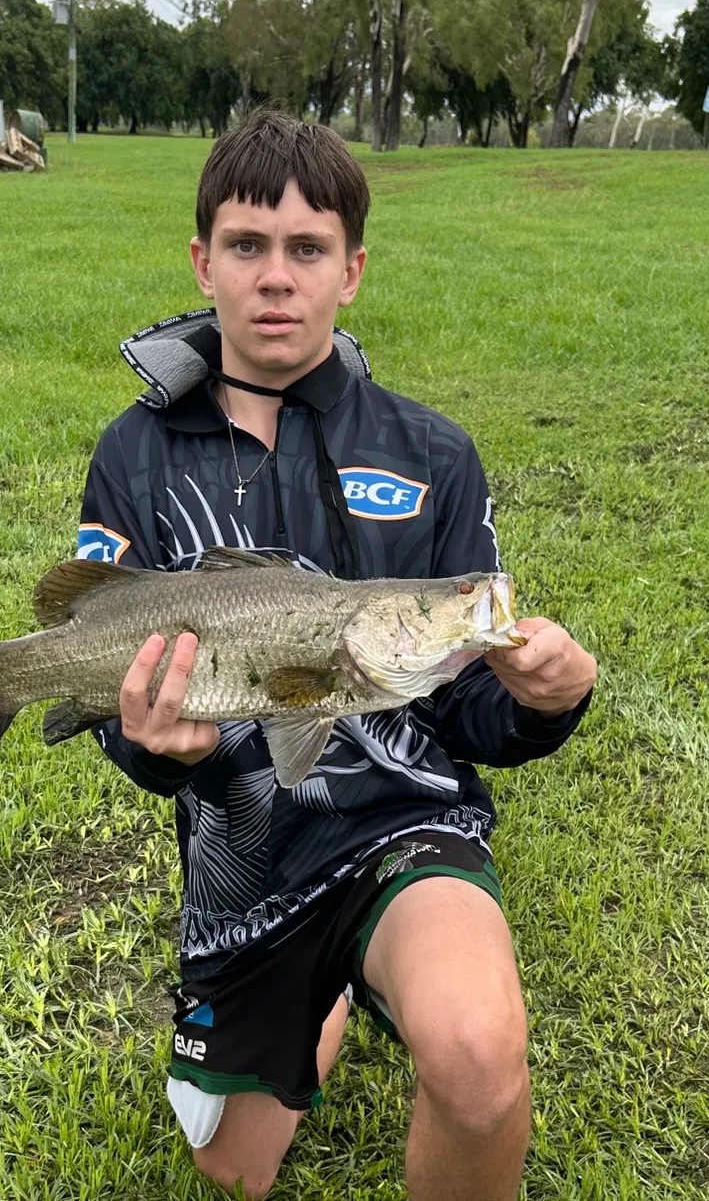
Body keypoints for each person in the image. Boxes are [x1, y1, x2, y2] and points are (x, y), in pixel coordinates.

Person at [59, 110, 596, 1200]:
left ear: (351, 271)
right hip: (247, 856)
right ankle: (328, 995)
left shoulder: (431, 452)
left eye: (307, 251)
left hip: (405, 826)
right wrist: (152, 746)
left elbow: (466, 713)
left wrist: (545, 701)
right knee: (231, 1171)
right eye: (248, 247)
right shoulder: (134, 452)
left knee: (479, 1059)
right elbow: (129, 707)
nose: (275, 278)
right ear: (202, 260)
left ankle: (383, 960)